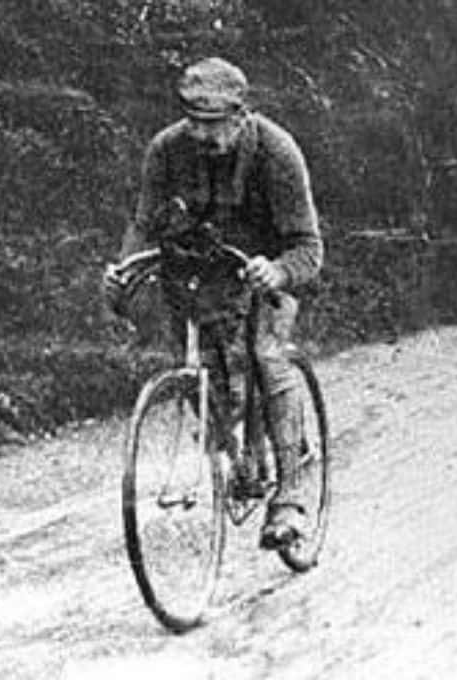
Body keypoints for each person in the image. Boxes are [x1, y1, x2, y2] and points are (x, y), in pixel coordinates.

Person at [108, 57, 323, 548]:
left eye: (215, 125)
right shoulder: (166, 150)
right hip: (197, 278)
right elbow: (143, 225)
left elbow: (309, 248)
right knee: (198, 374)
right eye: (194, 123)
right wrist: (125, 269)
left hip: (263, 277)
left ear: (242, 115)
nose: (203, 137)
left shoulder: (276, 151)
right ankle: (239, 456)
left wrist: (278, 269)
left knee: (267, 357)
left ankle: (290, 497)